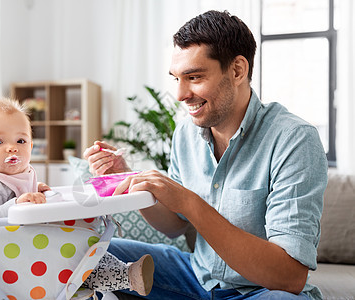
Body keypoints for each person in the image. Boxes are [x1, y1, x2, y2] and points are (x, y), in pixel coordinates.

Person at [84, 10, 328, 300]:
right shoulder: (185, 134)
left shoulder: (294, 139)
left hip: (262, 290)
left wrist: (190, 202)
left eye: (194, 77)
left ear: (237, 70)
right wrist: (127, 177)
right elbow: (174, 225)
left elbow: (289, 276)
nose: (180, 94)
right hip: (195, 276)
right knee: (85, 250)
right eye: (177, 78)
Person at [0, 98, 155, 296]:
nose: (12, 148)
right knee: (73, 255)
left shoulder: (17, 174)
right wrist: (16, 205)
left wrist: (36, 189)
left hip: (31, 246)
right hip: (10, 257)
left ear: (30, 147)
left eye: (20, 141)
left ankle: (127, 273)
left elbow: (16, 194)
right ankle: (127, 276)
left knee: (80, 245)